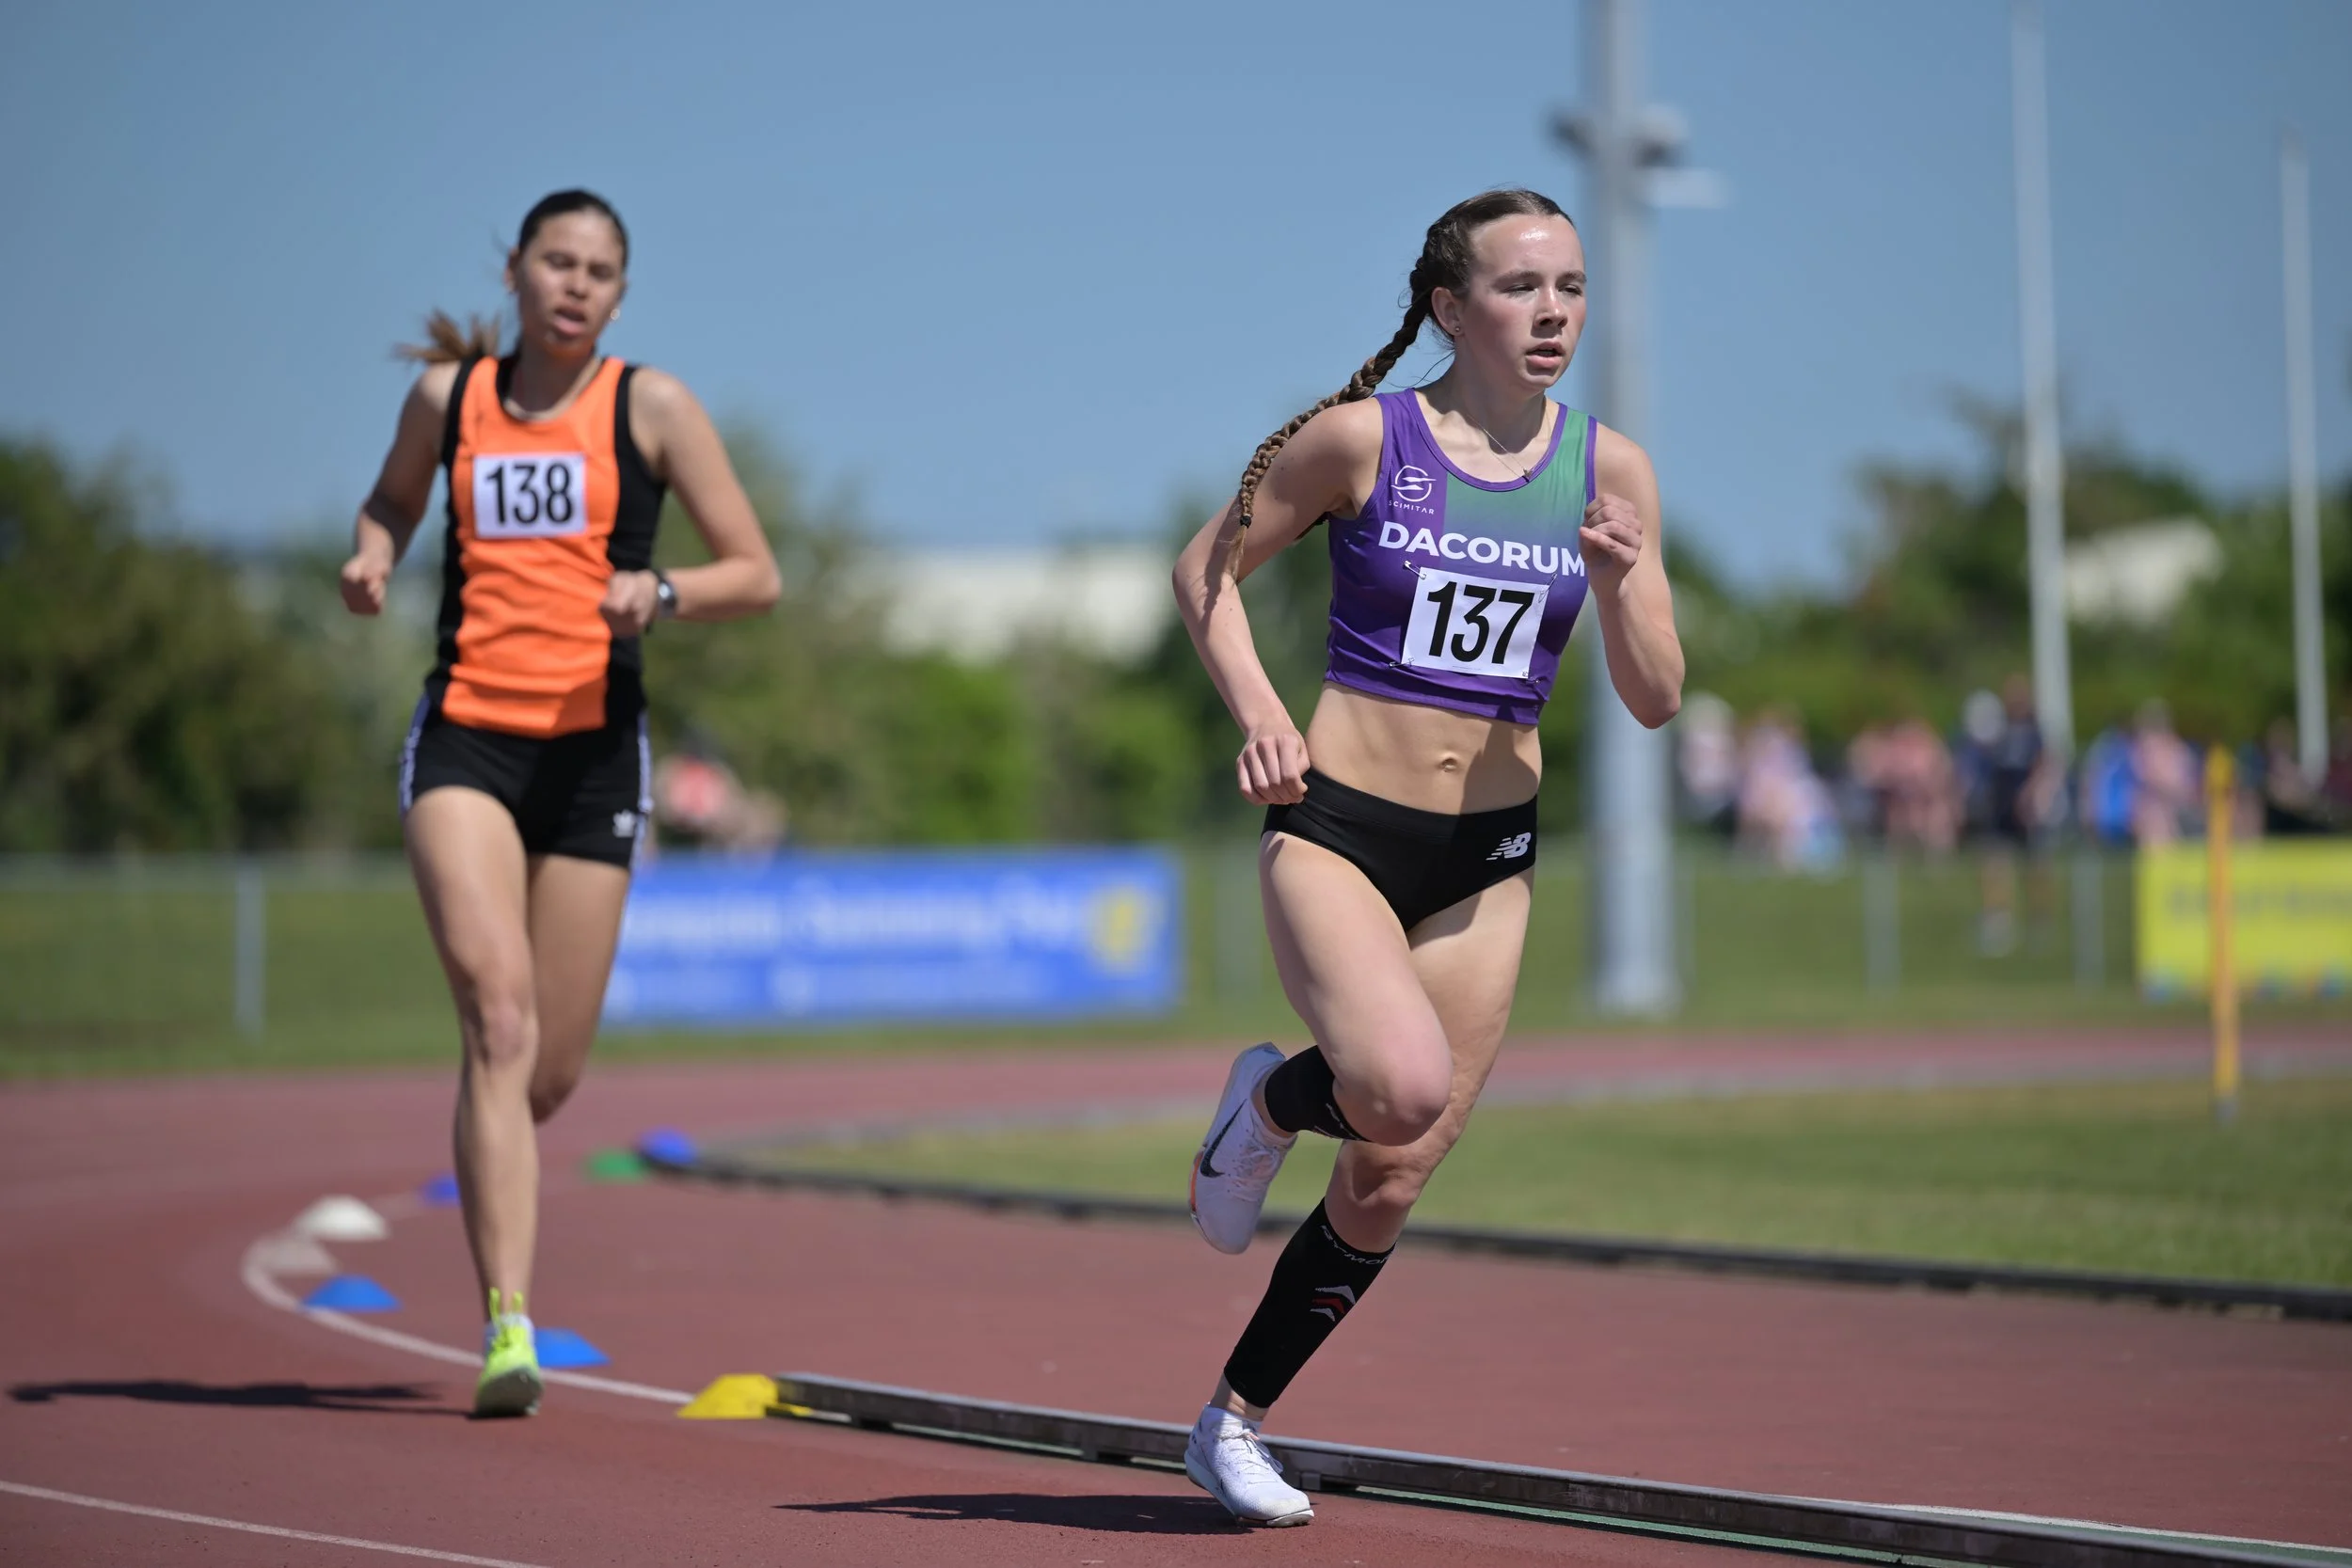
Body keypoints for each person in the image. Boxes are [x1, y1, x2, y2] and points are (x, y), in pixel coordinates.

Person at [1167, 189, 1682, 1527]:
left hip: (1487, 856)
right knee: (1397, 1089)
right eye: (1520, 287)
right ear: (1450, 307)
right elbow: (1203, 571)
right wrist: (1263, 715)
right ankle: (1277, 1104)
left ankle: (1231, 1422)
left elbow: (1658, 696)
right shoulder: (1363, 440)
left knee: (1396, 1167)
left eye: (1572, 286)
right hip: (1341, 827)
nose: (1554, 311)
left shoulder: (1611, 471)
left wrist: (1619, 581)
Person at [338, 190, 780, 1416]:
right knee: (498, 1019)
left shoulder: (652, 406)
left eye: (599, 270)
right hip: (468, 741)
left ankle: (494, 1139)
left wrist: (663, 592)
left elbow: (757, 571)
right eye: (557, 261)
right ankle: (509, 1326)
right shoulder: (452, 399)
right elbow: (391, 500)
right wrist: (374, 552)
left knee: (545, 1073)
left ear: (619, 297)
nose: (576, 284)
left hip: (593, 759)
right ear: (516, 272)